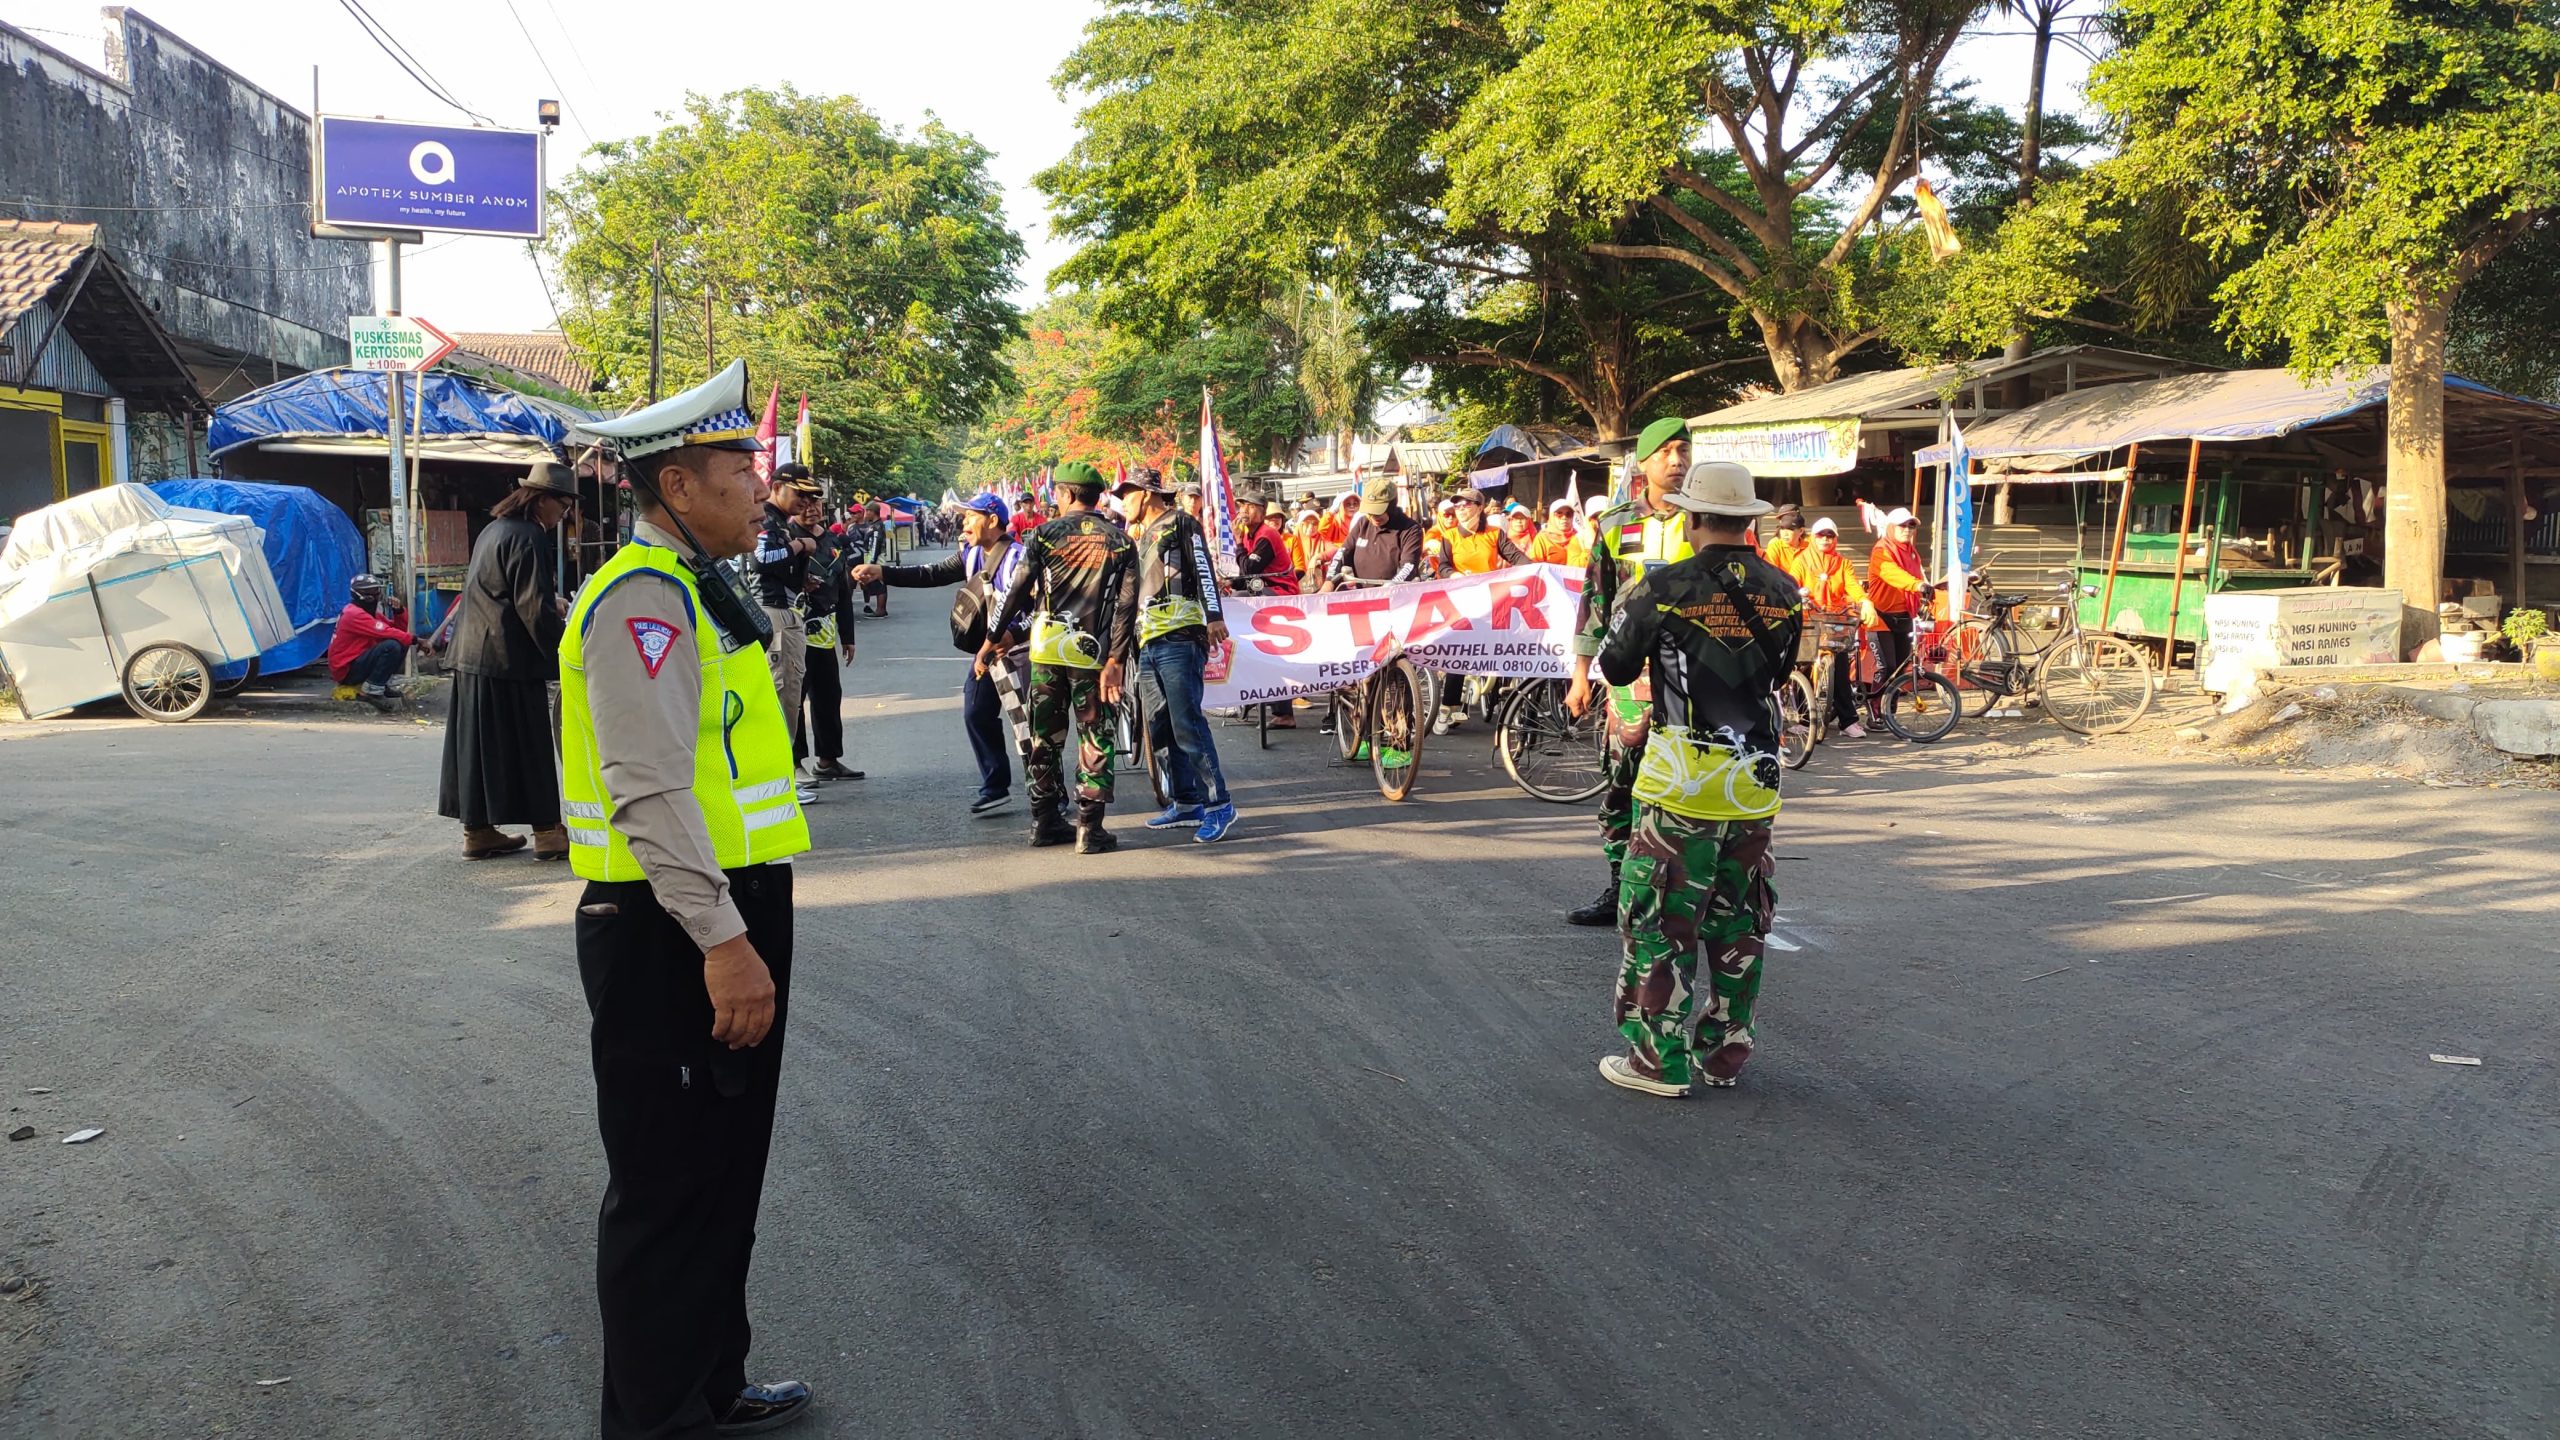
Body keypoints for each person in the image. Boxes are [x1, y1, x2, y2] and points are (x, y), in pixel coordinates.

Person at [557, 361, 815, 1438]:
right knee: (668, 1191)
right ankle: (653, 1420)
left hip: (728, 905)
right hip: (671, 924)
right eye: (737, 471)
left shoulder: (708, 588)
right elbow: (649, 785)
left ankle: (712, 1382)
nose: (760, 488)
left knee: (724, 1176)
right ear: (674, 486)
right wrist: (722, 938)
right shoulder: (643, 599)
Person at [1594, 459, 1802, 1097]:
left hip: (1682, 780)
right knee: (1739, 918)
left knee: (1662, 918)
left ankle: (1658, 1061)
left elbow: (1616, 666)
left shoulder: (1664, 587)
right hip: (1755, 778)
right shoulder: (1787, 590)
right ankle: (1725, 1053)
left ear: (1691, 516)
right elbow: (1777, 673)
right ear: (1747, 520)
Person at [1562, 417, 1696, 926]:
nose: (1677, 461)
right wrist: (1580, 675)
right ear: (1643, 462)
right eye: (1665, 452)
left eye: (1684, 451)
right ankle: (1621, 889)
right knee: (1622, 785)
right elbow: (1593, 602)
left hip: (1690, 677)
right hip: (1627, 678)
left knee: (1684, 787)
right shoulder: (1616, 523)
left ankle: (1678, 893)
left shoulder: (1703, 520)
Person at [983, 461, 1139, 853]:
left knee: (1044, 737)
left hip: (1047, 650)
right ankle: (1090, 829)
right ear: (1095, 496)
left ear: (1068, 494)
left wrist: (992, 636)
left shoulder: (1042, 535)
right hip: (1093, 653)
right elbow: (1126, 606)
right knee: (1095, 735)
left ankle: (1044, 821)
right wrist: (1117, 660)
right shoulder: (1120, 541)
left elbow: (1016, 591)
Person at [855, 492, 1027, 815]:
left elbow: (1041, 608)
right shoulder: (971, 554)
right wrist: (882, 572)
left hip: (1021, 650)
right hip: (987, 653)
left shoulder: (1020, 557)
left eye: (970, 515)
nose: (963, 522)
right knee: (975, 710)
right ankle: (996, 785)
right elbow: (930, 573)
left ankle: (1050, 795)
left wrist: (1013, 634)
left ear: (992, 520)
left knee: (1030, 726)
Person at [439, 460, 575, 861]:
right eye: (563, 507)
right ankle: (548, 831)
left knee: (478, 748)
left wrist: (552, 604)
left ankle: (477, 830)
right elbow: (531, 606)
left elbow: (506, 591)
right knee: (529, 745)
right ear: (543, 501)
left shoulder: (495, 530)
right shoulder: (529, 535)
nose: (563, 516)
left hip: (473, 652)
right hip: (506, 657)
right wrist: (562, 653)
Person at [1118, 467, 1240, 842]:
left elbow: (1203, 566)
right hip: (1149, 641)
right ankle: (1186, 802)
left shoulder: (1181, 523)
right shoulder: (1141, 538)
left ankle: (1219, 805)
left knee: (1187, 724)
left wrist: (1214, 615)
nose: (1123, 503)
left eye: (1128, 494)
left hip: (1181, 638)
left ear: (1148, 493)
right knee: (1158, 725)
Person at [782, 471, 862, 783]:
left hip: (826, 630)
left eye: (816, 501)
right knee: (795, 698)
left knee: (829, 696)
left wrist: (848, 636)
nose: (811, 507)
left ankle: (828, 760)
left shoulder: (834, 541)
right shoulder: (786, 539)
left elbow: (843, 592)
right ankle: (795, 762)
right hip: (795, 627)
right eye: (804, 502)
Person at [752, 472, 820, 806]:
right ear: (777, 488)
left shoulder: (778, 521)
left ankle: (782, 776)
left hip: (785, 609)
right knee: (782, 696)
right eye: (800, 494)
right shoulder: (768, 519)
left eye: (811, 497)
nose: (806, 503)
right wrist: (800, 544)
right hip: (775, 613)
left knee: (790, 697)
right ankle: (779, 781)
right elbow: (761, 559)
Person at [1787, 517, 1873, 739]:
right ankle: (1804, 719)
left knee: (1841, 670)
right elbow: (1791, 583)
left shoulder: (1842, 562)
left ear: (1835, 538)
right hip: (1809, 619)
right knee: (1803, 668)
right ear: (1813, 537)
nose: (1825, 539)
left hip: (1836, 620)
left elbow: (1852, 584)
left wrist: (1864, 601)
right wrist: (1797, 595)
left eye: (1830, 535)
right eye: (1821, 535)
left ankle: (1848, 721)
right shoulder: (1801, 560)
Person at [328, 572, 415, 712]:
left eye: (376, 590)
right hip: (347, 669)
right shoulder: (353, 614)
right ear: (360, 594)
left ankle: (378, 684)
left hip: (358, 662)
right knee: (391, 646)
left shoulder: (369, 614)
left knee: (400, 642)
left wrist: (399, 612)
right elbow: (387, 632)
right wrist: (416, 640)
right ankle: (372, 689)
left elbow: (397, 631)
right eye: (371, 591)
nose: (376, 595)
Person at [1865, 506, 1929, 688]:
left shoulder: (1911, 552)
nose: (1907, 530)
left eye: (1911, 526)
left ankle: (1889, 712)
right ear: (1891, 527)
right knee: (1887, 667)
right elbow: (1892, 574)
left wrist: (1924, 595)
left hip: (1904, 616)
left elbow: (1918, 577)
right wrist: (1917, 585)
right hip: (1881, 617)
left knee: (1900, 669)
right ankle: (1875, 709)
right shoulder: (1881, 550)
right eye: (1903, 526)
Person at [1531, 499, 1587, 567]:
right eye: (1559, 514)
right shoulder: (1542, 539)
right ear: (1551, 516)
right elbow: (1536, 567)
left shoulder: (1578, 537)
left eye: (1568, 514)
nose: (1564, 518)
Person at [1763, 504, 1808, 573]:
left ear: (1801, 531)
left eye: (1790, 529)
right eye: (1782, 528)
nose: (1785, 533)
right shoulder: (1775, 545)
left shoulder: (1809, 545)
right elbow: (1770, 572)